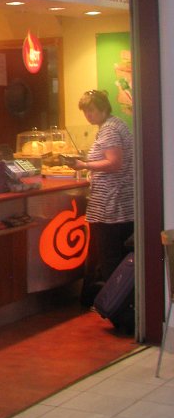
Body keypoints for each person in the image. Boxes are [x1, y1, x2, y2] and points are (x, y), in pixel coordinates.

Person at [69, 89, 134, 307]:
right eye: (85, 111)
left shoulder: (109, 130)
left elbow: (114, 162)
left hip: (110, 206)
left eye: (91, 110)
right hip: (122, 204)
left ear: (104, 108)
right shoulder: (118, 124)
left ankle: (116, 307)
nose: (88, 115)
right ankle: (119, 305)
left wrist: (84, 165)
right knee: (115, 257)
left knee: (110, 260)